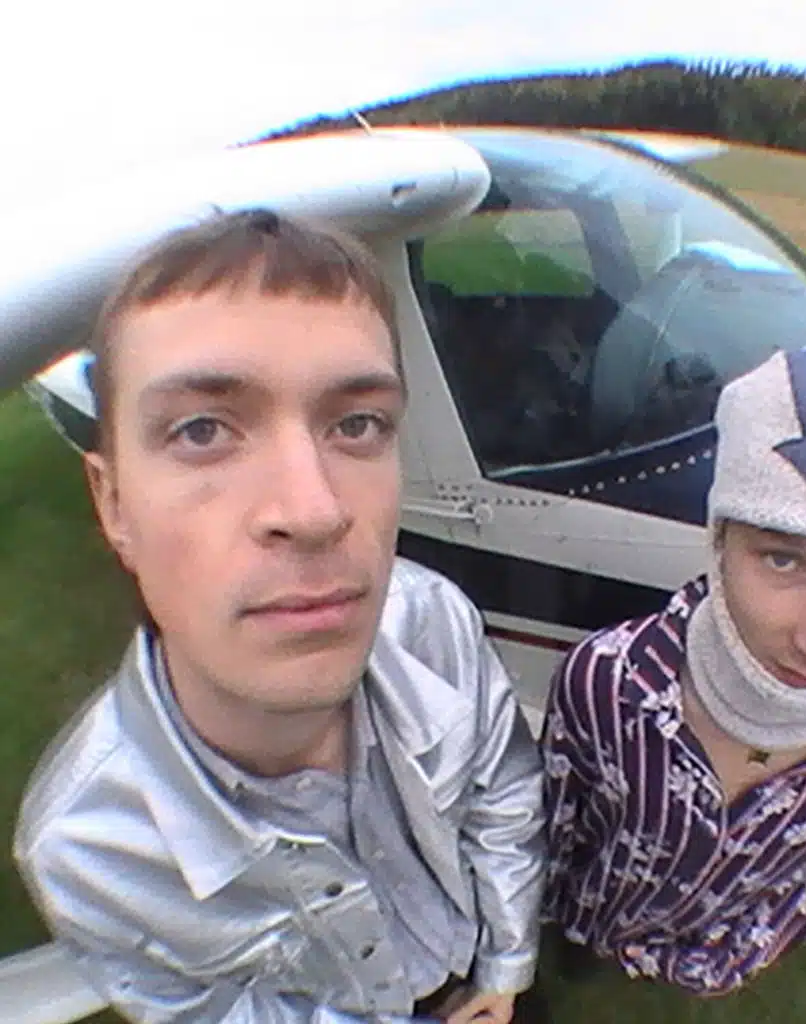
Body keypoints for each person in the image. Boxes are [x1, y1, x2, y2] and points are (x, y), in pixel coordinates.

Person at [14, 209, 548, 1024]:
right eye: (202, 430)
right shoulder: (89, 847)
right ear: (113, 502)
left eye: (357, 423)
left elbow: (501, 793)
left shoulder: (433, 623)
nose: (314, 509)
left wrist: (505, 969)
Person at [540, 338, 806, 996]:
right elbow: (555, 830)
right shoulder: (606, 684)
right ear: (720, 541)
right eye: (784, 560)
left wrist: (745, 953)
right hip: (584, 924)